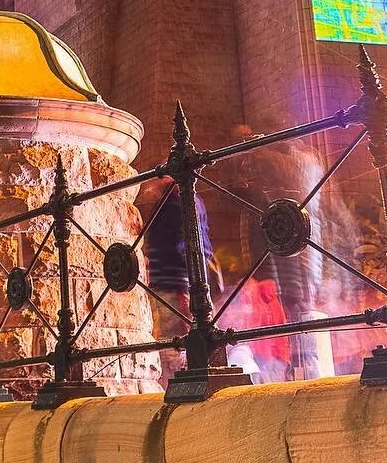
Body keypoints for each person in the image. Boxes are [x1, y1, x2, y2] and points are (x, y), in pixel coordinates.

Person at [224, 125, 324, 382]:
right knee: (299, 340)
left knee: (286, 341)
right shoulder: (297, 182)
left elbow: (268, 244)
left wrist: (266, 283)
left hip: (284, 277)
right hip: (299, 272)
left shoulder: (270, 195)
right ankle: (303, 380)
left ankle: (295, 382)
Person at [137, 175, 220, 389]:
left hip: (171, 284)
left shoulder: (174, 202)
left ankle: (178, 390)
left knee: (172, 347)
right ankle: (184, 387)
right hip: (180, 285)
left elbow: (184, 245)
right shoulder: (188, 200)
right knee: (179, 344)